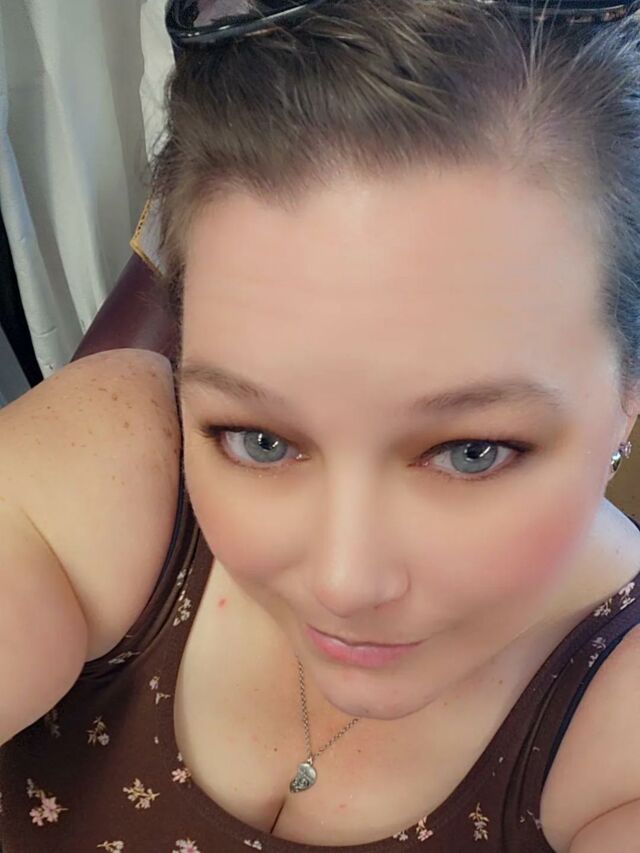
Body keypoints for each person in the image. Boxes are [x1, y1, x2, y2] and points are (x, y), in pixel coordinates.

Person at [2, 0, 640, 850]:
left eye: (471, 451)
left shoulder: (618, 735)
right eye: (259, 440)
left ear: (629, 393)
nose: (345, 583)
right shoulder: (114, 459)